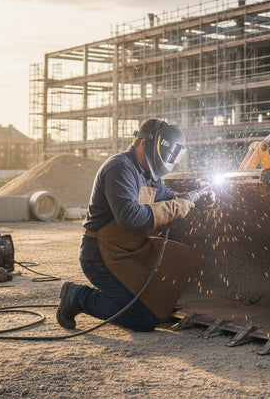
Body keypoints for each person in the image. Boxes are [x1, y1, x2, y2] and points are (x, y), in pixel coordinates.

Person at [56, 118, 202, 332]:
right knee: (143, 319)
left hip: (128, 255)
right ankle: (77, 296)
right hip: (99, 256)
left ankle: (108, 299)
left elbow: (171, 199)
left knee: (158, 308)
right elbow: (129, 217)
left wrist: (193, 197)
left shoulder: (150, 176)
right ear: (143, 144)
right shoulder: (119, 168)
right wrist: (176, 206)